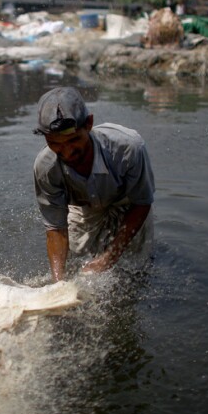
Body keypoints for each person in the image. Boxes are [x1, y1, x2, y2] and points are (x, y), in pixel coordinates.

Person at [32, 87, 155, 282]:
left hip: (128, 205)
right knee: (74, 270)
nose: (67, 152)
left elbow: (142, 203)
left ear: (88, 124)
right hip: (84, 209)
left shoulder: (128, 148)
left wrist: (108, 258)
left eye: (73, 140)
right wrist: (58, 284)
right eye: (55, 144)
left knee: (133, 271)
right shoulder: (46, 168)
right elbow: (56, 228)